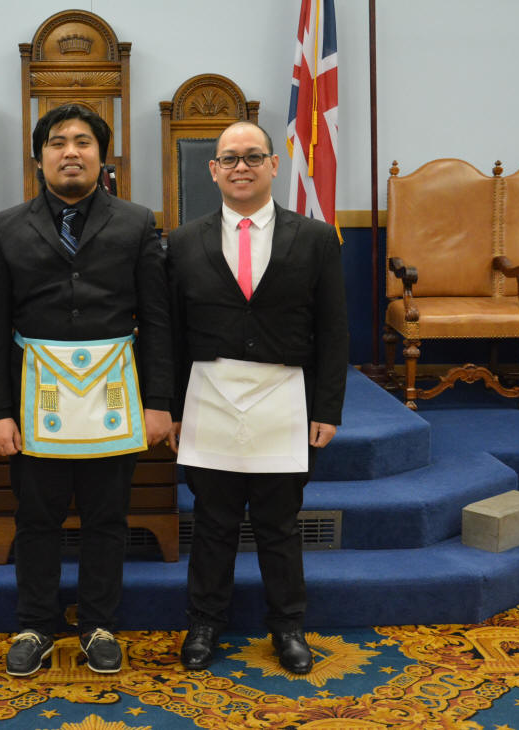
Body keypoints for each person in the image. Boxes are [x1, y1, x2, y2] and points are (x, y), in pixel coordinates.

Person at [0, 103, 173, 676]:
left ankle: (99, 625)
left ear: (102, 156)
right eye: (57, 142)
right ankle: (35, 624)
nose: (70, 152)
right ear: (39, 157)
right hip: (36, 402)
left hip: (113, 399)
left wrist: (159, 402)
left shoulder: (136, 222)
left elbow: (157, 320)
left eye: (83, 141)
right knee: (36, 518)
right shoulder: (5, 227)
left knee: (107, 517)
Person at [166, 121, 348, 674]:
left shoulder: (315, 238)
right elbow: (171, 334)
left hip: (284, 398)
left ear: (273, 164)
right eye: (229, 158)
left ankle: (288, 627)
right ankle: (204, 624)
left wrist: (328, 409)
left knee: (279, 524)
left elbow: (333, 330)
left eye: (252, 156)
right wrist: (170, 409)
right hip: (209, 399)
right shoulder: (183, 242)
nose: (240, 167)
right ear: (213, 170)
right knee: (212, 523)